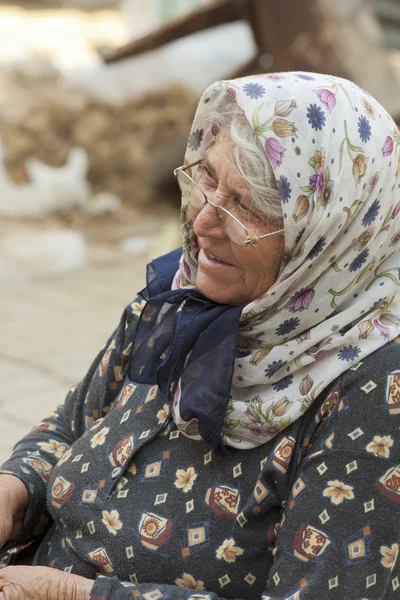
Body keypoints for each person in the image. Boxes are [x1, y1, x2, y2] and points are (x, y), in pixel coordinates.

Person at [0, 72, 399, 600]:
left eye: (248, 206)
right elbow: (75, 423)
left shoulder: (371, 389)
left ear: (323, 235)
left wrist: (69, 594)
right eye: (206, 179)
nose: (204, 220)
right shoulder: (180, 293)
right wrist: (15, 490)